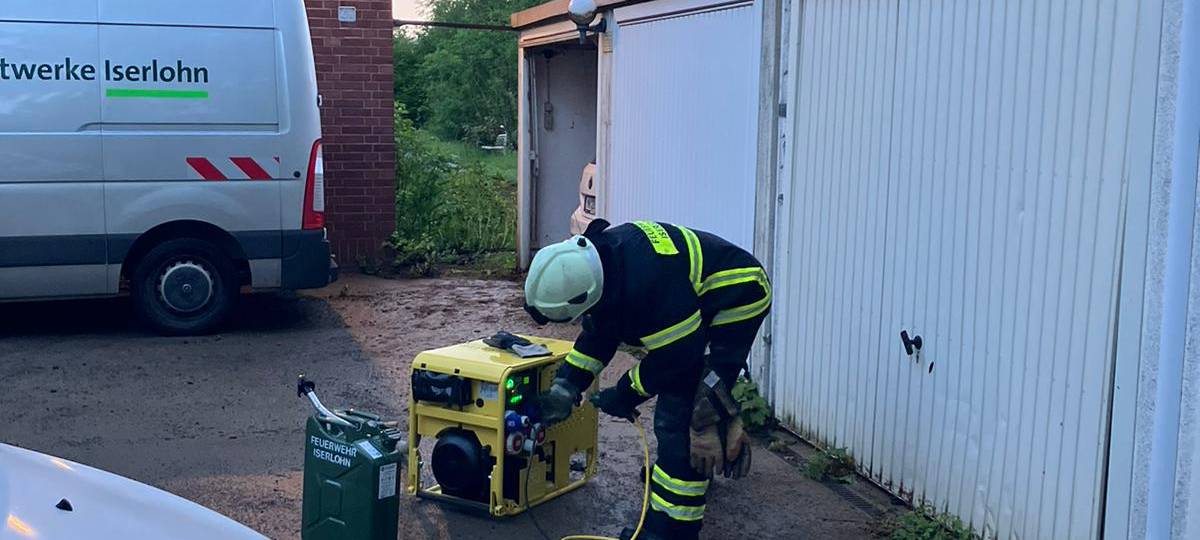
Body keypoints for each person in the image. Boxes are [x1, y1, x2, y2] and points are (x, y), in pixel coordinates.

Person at [524, 220, 772, 540]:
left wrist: (624, 394)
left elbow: (677, 360)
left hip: (739, 294)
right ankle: (701, 457)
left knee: (681, 414)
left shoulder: (649, 288)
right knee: (700, 395)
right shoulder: (602, 263)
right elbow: (600, 334)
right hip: (696, 296)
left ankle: (674, 528)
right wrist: (566, 385)